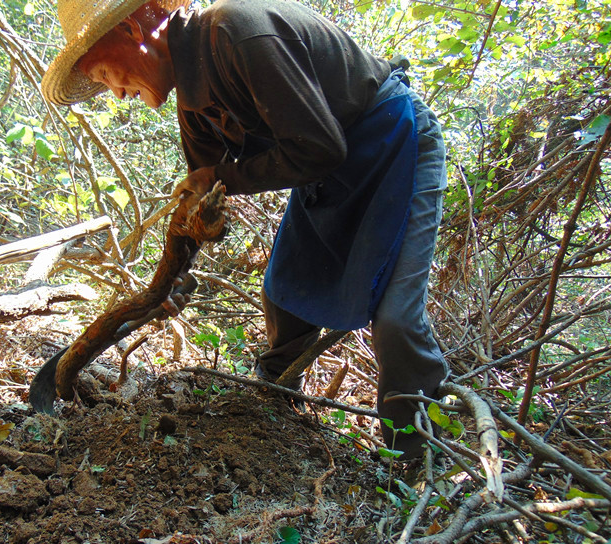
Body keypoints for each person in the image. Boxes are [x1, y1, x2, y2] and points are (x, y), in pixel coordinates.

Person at [41, 0, 449, 459]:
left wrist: (224, 177)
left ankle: (415, 463)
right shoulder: (194, 95)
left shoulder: (235, 33)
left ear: (133, 27)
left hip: (393, 143)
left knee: (396, 320)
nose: (114, 93)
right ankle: (274, 410)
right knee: (284, 292)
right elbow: (201, 197)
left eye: (102, 76)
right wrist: (175, 274)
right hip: (327, 174)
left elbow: (317, 148)